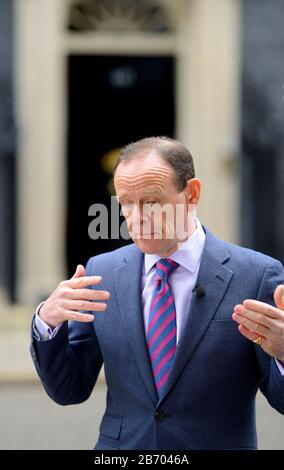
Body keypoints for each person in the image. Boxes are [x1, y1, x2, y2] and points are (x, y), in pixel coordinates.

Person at [30, 137, 284, 450]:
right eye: (125, 202)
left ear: (191, 194)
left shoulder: (257, 275)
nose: (137, 217)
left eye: (152, 202)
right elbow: (69, 390)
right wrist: (47, 323)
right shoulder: (102, 272)